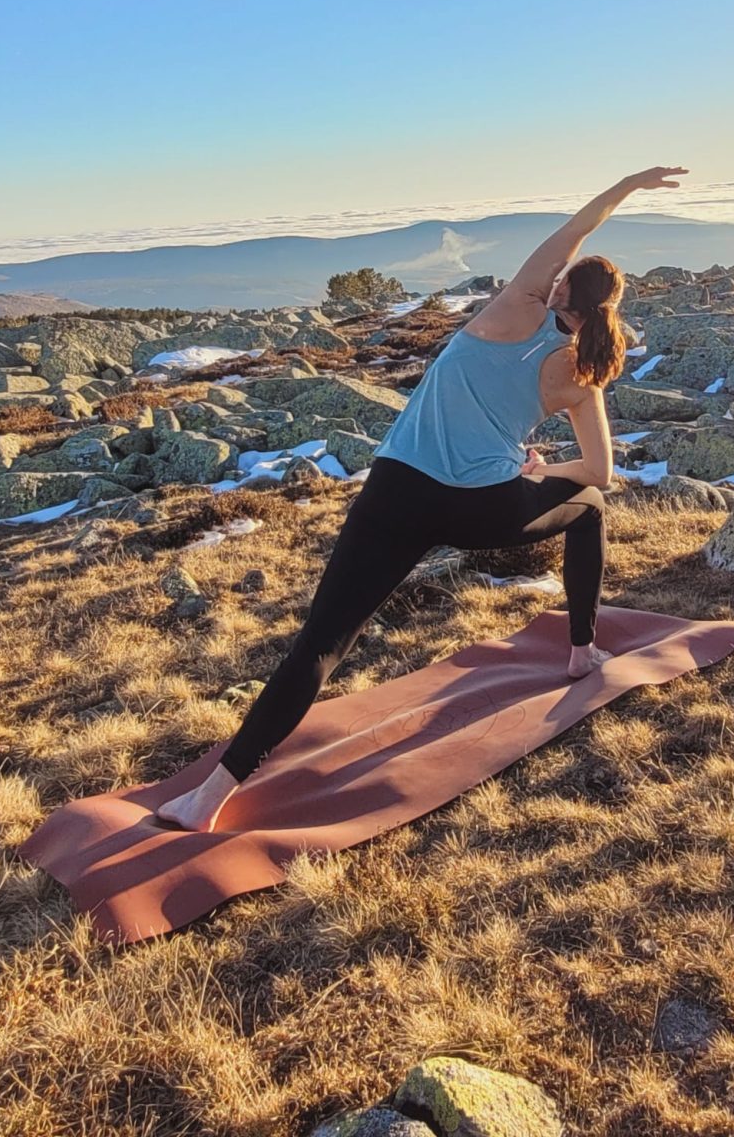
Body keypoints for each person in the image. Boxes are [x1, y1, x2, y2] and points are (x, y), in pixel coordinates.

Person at [158, 166, 687, 831]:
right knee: (589, 509)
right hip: (485, 508)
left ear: (558, 286)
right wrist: (537, 471)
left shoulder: (513, 305)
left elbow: (577, 228)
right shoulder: (583, 374)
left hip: (396, 493)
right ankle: (582, 650)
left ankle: (209, 799)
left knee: (321, 645)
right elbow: (600, 471)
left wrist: (628, 186)